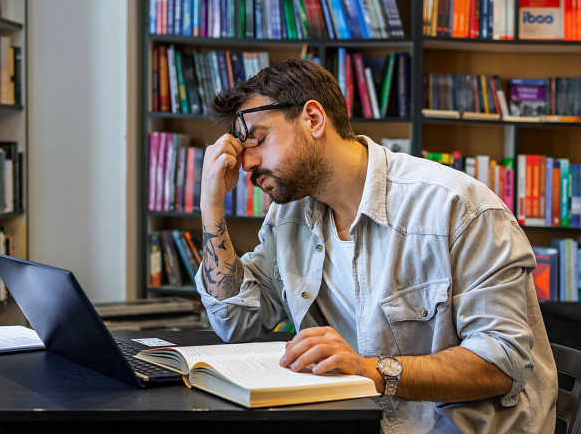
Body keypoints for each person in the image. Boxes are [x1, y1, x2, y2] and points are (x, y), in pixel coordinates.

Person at [196, 58, 557, 433]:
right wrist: (211, 206)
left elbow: (501, 362)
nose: (247, 162)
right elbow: (235, 322)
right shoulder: (289, 220)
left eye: (258, 138)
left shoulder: (456, 207)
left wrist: (369, 370)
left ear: (314, 119)